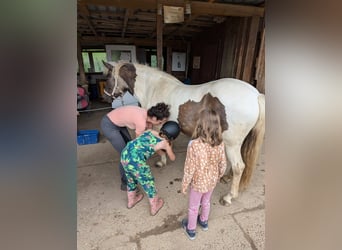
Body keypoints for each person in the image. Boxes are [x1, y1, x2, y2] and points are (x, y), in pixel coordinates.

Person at [100, 103, 170, 191]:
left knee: (128, 149)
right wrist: (159, 148)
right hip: (109, 125)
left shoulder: (147, 116)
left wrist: (161, 148)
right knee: (127, 155)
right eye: (160, 122)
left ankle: (130, 177)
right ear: (154, 118)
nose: (160, 124)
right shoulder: (141, 121)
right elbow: (138, 144)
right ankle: (125, 184)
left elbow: (150, 136)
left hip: (118, 124)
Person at [181, 109, 227, 240]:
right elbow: (223, 164)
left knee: (193, 207)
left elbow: (189, 168)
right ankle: (204, 222)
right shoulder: (220, 143)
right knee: (206, 202)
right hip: (212, 180)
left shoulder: (194, 145)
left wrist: (184, 184)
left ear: (200, 124)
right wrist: (218, 176)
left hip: (198, 183)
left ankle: (191, 229)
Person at [121, 121, 181, 216]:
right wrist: (169, 148)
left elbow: (150, 145)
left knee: (131, 179)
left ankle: (131, 201)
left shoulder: (150, 131)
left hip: (125, 155)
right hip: (137, 162)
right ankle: (155, 206)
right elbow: (172, 158)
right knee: (148, 183)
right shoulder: (165, 143)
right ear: (172, 137)